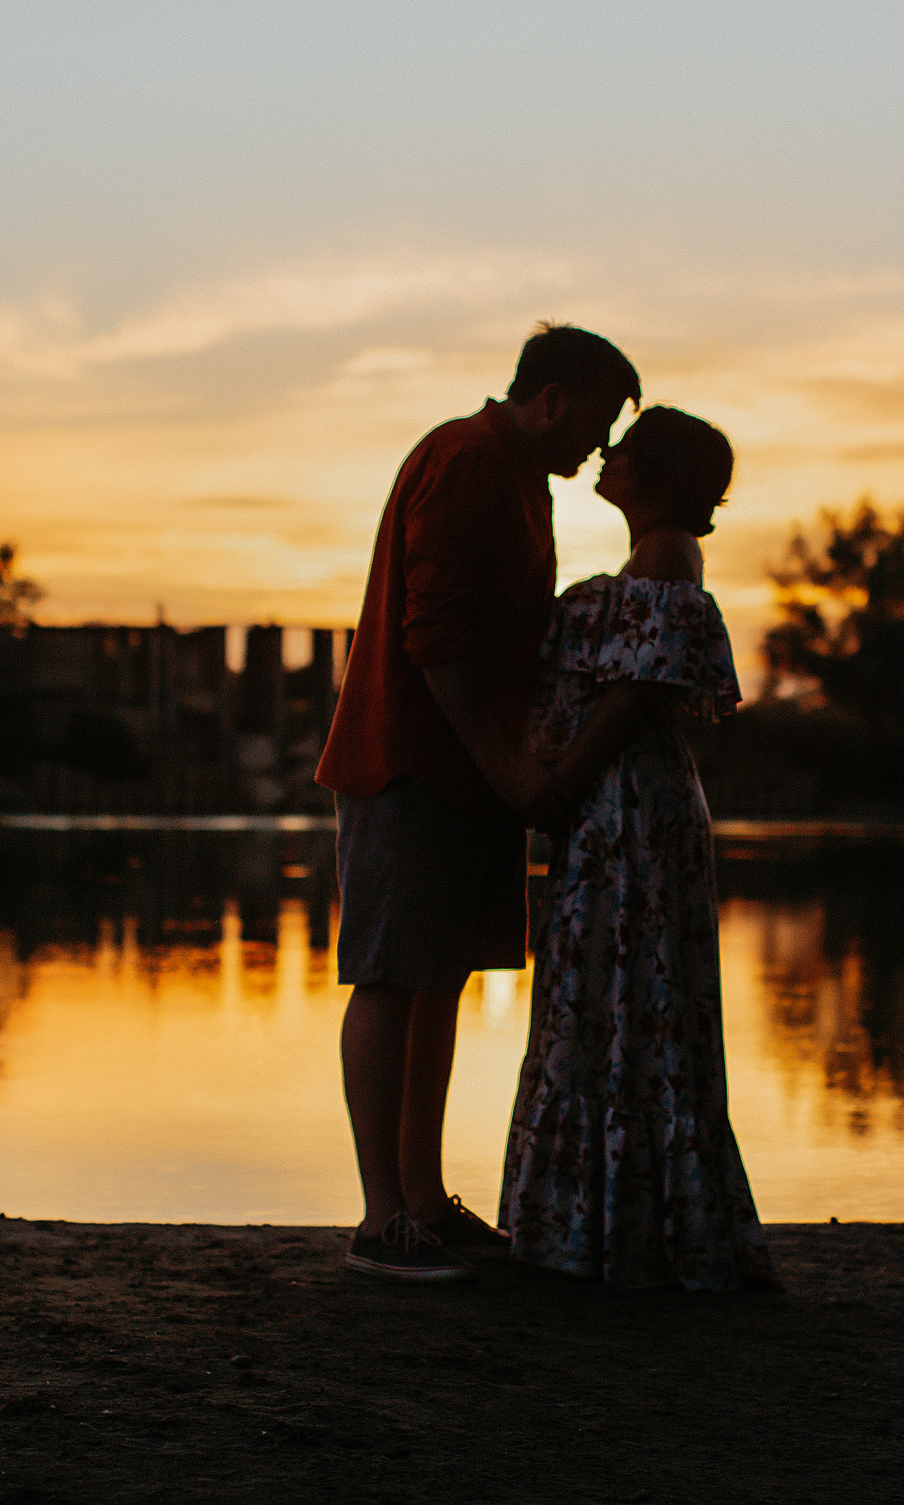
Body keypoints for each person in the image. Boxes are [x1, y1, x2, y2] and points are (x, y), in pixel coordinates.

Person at [315, 323, 641, 1282]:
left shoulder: (521, 482)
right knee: (388, 974)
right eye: (594, 423)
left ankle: (423, 1198)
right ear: (552, 397)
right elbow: (434, 634)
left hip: (471, 773)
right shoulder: (464, 459)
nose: (598, 450)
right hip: (410, 763)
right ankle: (382, 1219)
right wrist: (502, 766)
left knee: (438, 975)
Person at [500, 406, 775, 1291]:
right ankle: (606, 1226)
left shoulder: (665, 557)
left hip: (628, 809)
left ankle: (616, 1233)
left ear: (652, 473)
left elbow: (634, 694)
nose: (604, 454)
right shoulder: (649, 557)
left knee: (621, 993)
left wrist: (563, 783)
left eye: (622, 446)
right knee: (606, 996)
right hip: (620, 808)